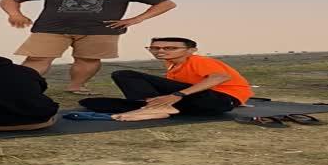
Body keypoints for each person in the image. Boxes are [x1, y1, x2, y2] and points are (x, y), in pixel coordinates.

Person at [0, 0, 176, 95]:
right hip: (50, 29)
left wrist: (136, 19)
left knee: (88, 59)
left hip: (101, 31)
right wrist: (15, 14)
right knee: (37, 58)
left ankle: (76, 86)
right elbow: (9, 0)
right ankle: (23, 88)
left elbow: (166, 3)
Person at [79, 37, 252, 121]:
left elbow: (221, 77)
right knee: (92, 103)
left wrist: (178, 94)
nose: (161, 51)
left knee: (123, 74)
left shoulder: (198, 60)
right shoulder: (171, 66)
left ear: (191, 50)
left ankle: (151, 109)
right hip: (197, 104)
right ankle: (154, 107)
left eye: (170, 48)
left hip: (217, 101)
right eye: (155, 48)